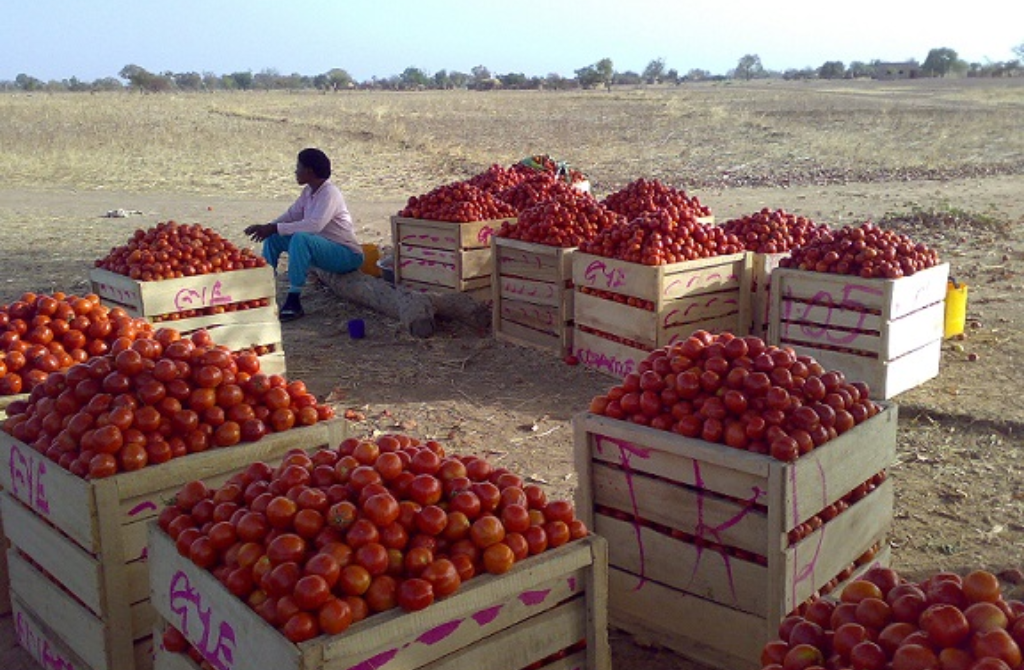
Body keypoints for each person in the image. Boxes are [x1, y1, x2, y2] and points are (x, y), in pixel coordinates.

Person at [245, 148, 363, 321]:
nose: (295, 171)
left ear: (309, 171)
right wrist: (269, 227)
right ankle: (264, 290)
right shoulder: (308, 192)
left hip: (346, 255)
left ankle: (294, 299)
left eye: (298, 167)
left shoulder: (330, 193)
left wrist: (275, 227)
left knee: (301, 237)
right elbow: (292, 215)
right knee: (273, 237)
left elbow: (314, 225)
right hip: (322, 248)